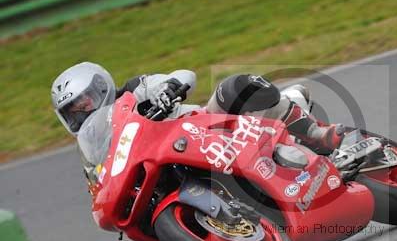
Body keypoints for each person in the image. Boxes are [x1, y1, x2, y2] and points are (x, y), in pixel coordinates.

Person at [51, 62, 344, 155]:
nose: (83, 110)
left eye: (84, 100)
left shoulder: (133, 91)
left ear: (100, 87)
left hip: (209, 127)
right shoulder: (98, 147)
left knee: (234, 86)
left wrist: (168, 89)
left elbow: (183, 75)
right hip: (174, 161)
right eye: (73, 111)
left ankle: (314, 133)